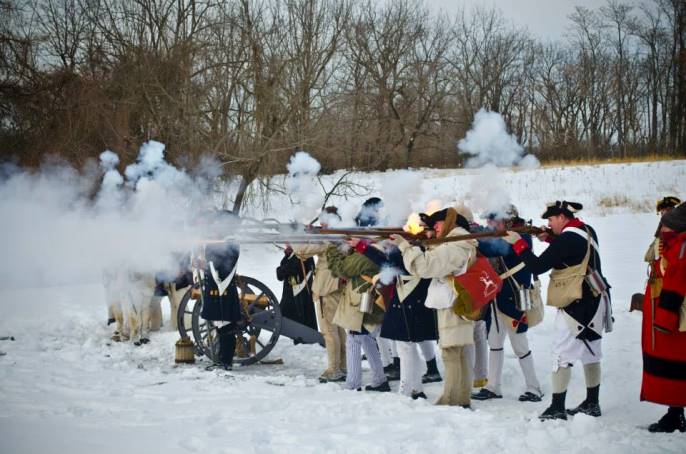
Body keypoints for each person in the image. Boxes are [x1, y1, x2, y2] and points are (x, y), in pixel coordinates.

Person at [503, 201, 611, 420]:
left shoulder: (568, 238)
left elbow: (536, 266)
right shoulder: (585, 230)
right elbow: (571, 251)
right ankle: (592, 403)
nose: (549, 224)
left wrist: (518, 244)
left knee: (561, 354)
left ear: (562, 217)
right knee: (591, 353)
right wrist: (550, 239)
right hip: (596, 298)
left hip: (576, 303)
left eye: (551, 220)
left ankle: (557, 407)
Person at [390, 207, 477, 407]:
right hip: (457, 300)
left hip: (452, 301)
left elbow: (426, 267)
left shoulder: (456, 243)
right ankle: (461, 398)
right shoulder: (457, 241)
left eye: (436, 225)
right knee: (458, 351)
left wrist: (405, 247)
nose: (435, 229)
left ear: (449, 223)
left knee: (451, 352)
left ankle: (451, 399)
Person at [351, 235, 439, 399]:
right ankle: (416, 388)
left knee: (405, 349)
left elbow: (387, 262)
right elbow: (387, 262)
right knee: (407, 348)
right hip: (411, 306)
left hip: (409, 307)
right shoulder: (417, 252)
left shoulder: (410, 254)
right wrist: (362, 245)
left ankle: (406, 390)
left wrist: (363, 246)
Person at [472, 205, 543, 402]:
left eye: (493, 220)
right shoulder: (509, 233)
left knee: (520, 346)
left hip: (513, 298)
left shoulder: (518, 235)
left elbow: (493, 248)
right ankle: (493, 386)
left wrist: (472, 238)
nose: (490, 224)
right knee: (494, 342)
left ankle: (534, 387)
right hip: (500, 296)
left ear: (505, 220)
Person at [640, 202, 686, 432]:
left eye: (666, 226)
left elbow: (677, 281)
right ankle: (675, 413)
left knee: (676, 368)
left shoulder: (680, 246)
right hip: (667, 316)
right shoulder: (671, 244)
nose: (661, 230)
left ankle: (675, 415)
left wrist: (665, 317)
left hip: (673, 320)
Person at [291, 206, 347, 383]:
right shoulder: (336, 236)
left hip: (327, 288)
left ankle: (334, 369)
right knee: (338, 331)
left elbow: (301, 251)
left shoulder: (328, 238)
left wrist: (293, 235)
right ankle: (342, 366)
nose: (321, 223)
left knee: (329, 332)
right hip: (335, 286)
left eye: (323, 220)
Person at [326, 243, 389, 392]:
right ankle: (379, 379)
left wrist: (332, 248)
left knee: (354, 339)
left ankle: (353, 384)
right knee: (365, 338)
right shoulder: (374, 251)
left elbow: (339, 270)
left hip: (363, 302)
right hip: (367, 301)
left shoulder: (365, 254)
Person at [198, 241, 241, 370]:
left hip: (224, 293)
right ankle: (222, 359)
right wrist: (204, 265)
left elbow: (224, 267)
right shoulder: (215, 243)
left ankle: (226, 362)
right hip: (215, 292)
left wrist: (206, 265)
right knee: (220, 328)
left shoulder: (231, 245)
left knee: (227, 329)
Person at [276, 246, 317, 331]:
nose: (286, 245)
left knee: (303, 317)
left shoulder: (303, 253)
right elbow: (280, 276)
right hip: (291, 291)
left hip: (301, 292)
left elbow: (294, 268)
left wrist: (282, 269)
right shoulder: (290, 255)